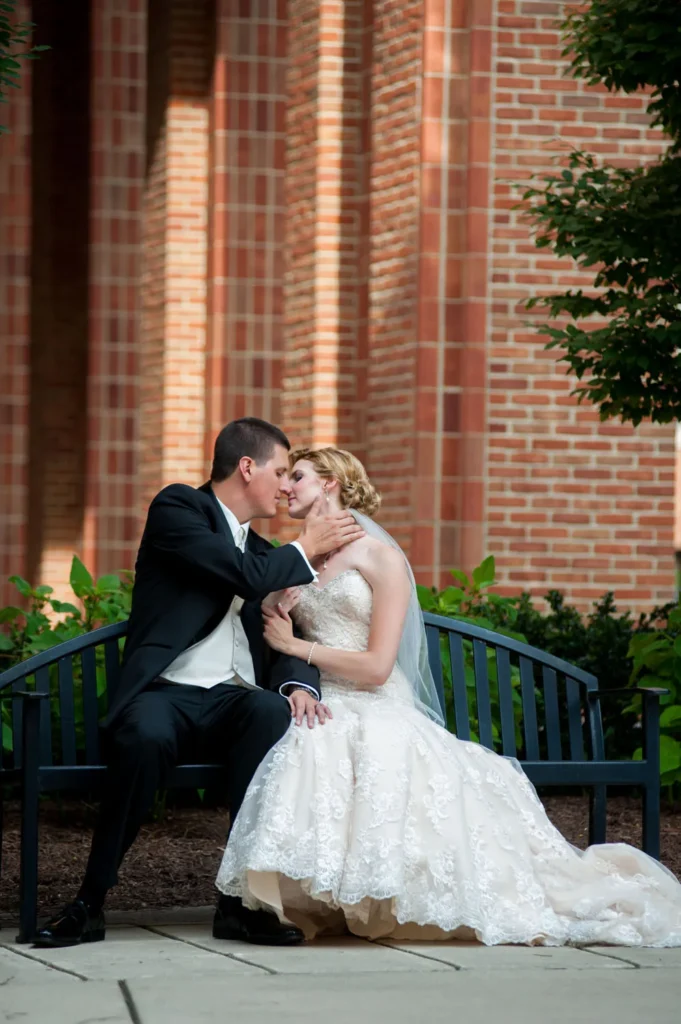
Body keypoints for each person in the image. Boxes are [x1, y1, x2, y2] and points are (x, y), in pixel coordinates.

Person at [216, 447, 681, 947]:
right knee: (306, 743)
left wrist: (296, 645)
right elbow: (268, 634)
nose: (286, 487)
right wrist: (280, 624)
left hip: (373, 699)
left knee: (357, 747)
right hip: (324, 698)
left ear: (330, 482)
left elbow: (376, 668)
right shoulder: (297, 559)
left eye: (299, 477)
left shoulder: (381, 557)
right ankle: (303, 900)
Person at [34, 420, 364, 949]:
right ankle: (88, 903)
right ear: (247, 467)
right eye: (280, 471)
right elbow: (236, 573)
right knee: (144, 737)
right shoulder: (178, 509)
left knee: (271, 715)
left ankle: (239, 906)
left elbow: (287, 629)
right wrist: (304, 549)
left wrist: (299, 686)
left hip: (232, 699)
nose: (285, 486)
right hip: (165, 694)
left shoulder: (258, 549)